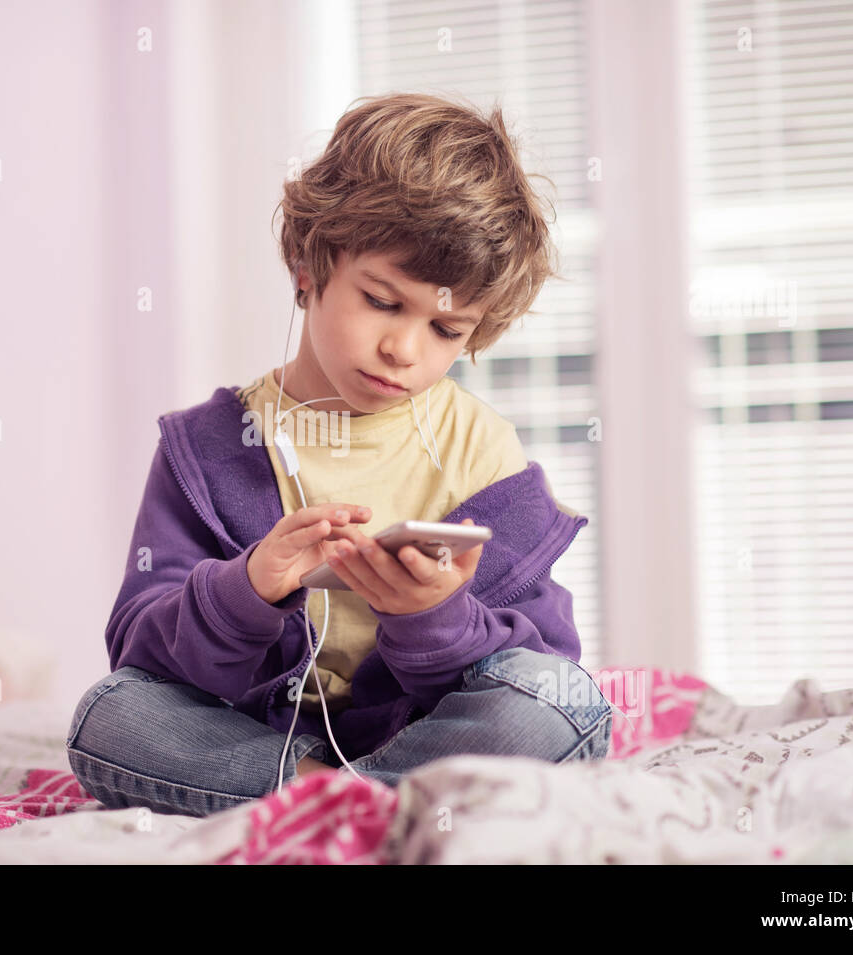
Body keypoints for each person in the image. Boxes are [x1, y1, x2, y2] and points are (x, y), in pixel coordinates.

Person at [65, 91, 614, 819]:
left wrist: (434, 616)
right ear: (306, 262)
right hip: (256, 739)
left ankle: (323, 801)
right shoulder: (206, 448)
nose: (405, 349)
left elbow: (545, 656)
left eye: (447, 330)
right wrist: (247, 587)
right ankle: (364, 799)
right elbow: (139, 646)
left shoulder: (481, 450)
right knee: (109, 716)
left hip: (425, 733)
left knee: (565, 703)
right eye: (383, 301)